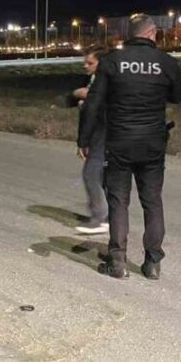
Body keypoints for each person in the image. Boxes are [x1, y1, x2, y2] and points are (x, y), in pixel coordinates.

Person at [77, 14, 181, 280]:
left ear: (130, 34)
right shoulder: (166, 62)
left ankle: (117, 262)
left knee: (119, 202)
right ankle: (152, 263)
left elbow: (93, 103)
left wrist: (84, 140)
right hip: (152, 143)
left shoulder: (112, 62)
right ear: (153, 34)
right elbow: (178, 95)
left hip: (120, 142)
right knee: (152, 202)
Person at [72, 45, 109, 235]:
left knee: (90, 174)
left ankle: (99, 218)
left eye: (90, 63)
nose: (85, 66)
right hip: (98, 134)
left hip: (102, 134)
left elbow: (95, 106)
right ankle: (111, 217)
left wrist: (83, 96)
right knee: (103, 176)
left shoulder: (103, 83)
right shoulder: (92, 79)